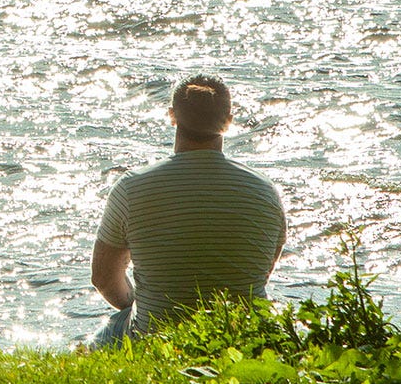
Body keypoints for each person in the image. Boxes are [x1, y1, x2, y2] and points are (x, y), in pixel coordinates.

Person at [90, 74, 285, 348]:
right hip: (244, 339)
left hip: (157, 338)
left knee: (109, 331)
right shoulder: (265, 191)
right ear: (228, 122)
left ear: (172, 116)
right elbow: (261, 273)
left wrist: (136, 304)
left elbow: (103, 277)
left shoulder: (131, 188)